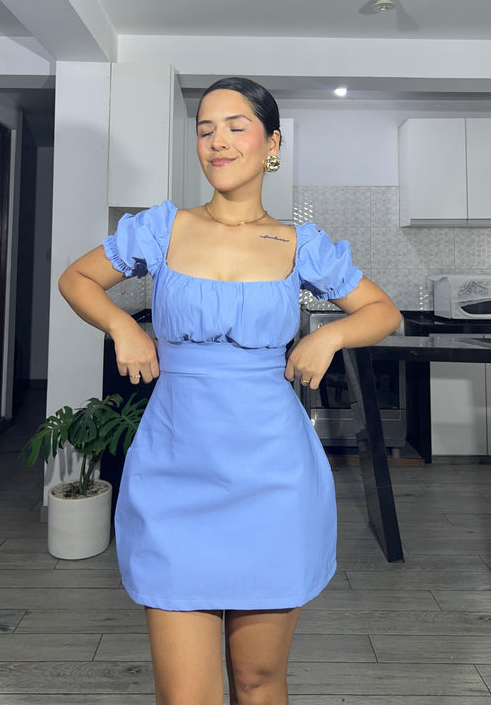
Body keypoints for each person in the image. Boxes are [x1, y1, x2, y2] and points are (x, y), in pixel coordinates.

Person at [59, 76, 401, 705]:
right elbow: (77, 278)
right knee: (185, 695)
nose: (217, 141)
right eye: (205, 129)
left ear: (272, 144)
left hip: (272, 479)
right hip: (175, 471)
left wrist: (328, 337)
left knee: (258, 682)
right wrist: (122, 327)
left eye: (236, 127)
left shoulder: (299, 244)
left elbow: (383, 312)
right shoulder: (162, 229)